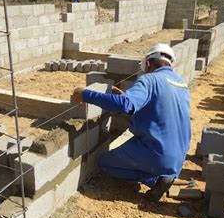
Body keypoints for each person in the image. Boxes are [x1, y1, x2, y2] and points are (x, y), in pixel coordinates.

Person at [72, 44, 191, 201]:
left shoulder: (150, 79)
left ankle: (155, 180)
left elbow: (124, 105)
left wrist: (86, 95)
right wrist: (128, 97)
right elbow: (159, 113)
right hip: (179, 157)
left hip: (158, 153)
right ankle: (165, 175)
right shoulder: (182, 84)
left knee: (105, 163)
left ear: (148, 63)